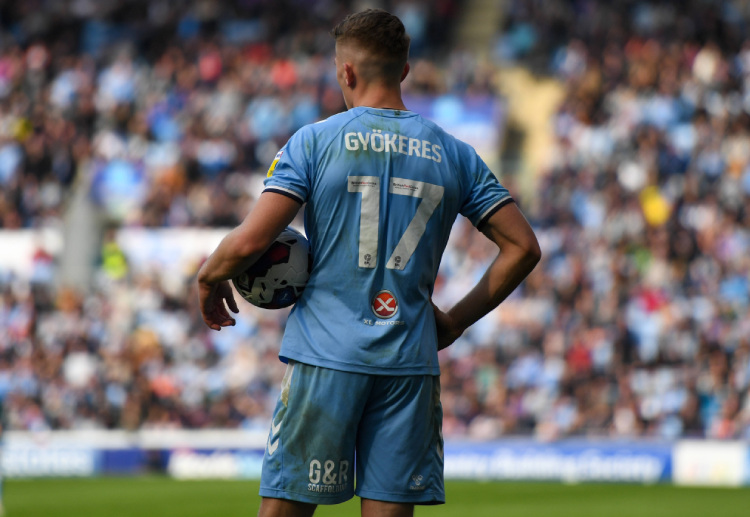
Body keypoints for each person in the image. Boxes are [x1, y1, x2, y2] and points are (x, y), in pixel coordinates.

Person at [197, 8, 540, 517]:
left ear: (347, 72)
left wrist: (208, 276)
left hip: (326, 356)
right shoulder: (456, 153)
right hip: (409, 362)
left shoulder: (314, 142)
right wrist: (454, 322)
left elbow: (250, 244)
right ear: (404, 71)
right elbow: (524, 247)